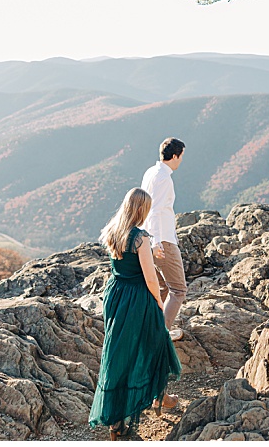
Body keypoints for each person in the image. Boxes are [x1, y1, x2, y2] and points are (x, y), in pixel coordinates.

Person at [89, 188, 181, 439]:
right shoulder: (140, 237)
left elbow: (126, 264)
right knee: (155, 345)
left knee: (119, 354)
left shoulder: (113, 231)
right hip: (138, 297)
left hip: (116, 295)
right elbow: (150, 279)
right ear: (142, 210)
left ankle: (117, 422)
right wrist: (160, 303)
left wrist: (150, 254)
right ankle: (159, 397)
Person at [141, 137, 187, 338]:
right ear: (175, 156)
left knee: (160, 288)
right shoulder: (164, 179)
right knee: (178, 289)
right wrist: (157, 241)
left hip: (148, 238)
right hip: (163, 240)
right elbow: (156, 211)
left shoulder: (151, 172)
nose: (181, 161)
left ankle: (149, 329)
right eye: (181, 157)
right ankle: (160, 335)